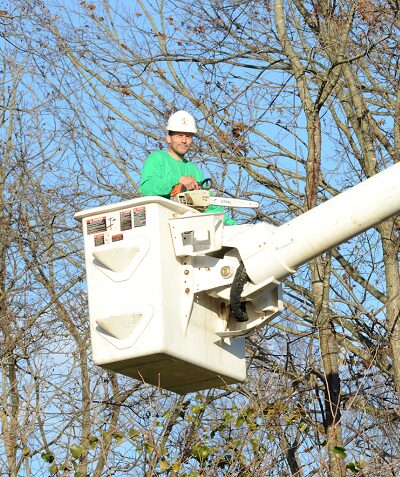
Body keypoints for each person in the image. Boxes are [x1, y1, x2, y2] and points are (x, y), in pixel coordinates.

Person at [140, 110, 236, 225]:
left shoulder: (193, 170)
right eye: (179, 135)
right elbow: (146, 188)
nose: (184, 140)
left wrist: (234, 227)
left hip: (188, 228)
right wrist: (178, 180)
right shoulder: (157, 158)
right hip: (162, 223)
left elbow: (208, 206)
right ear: (169, 138)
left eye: (188, 136)